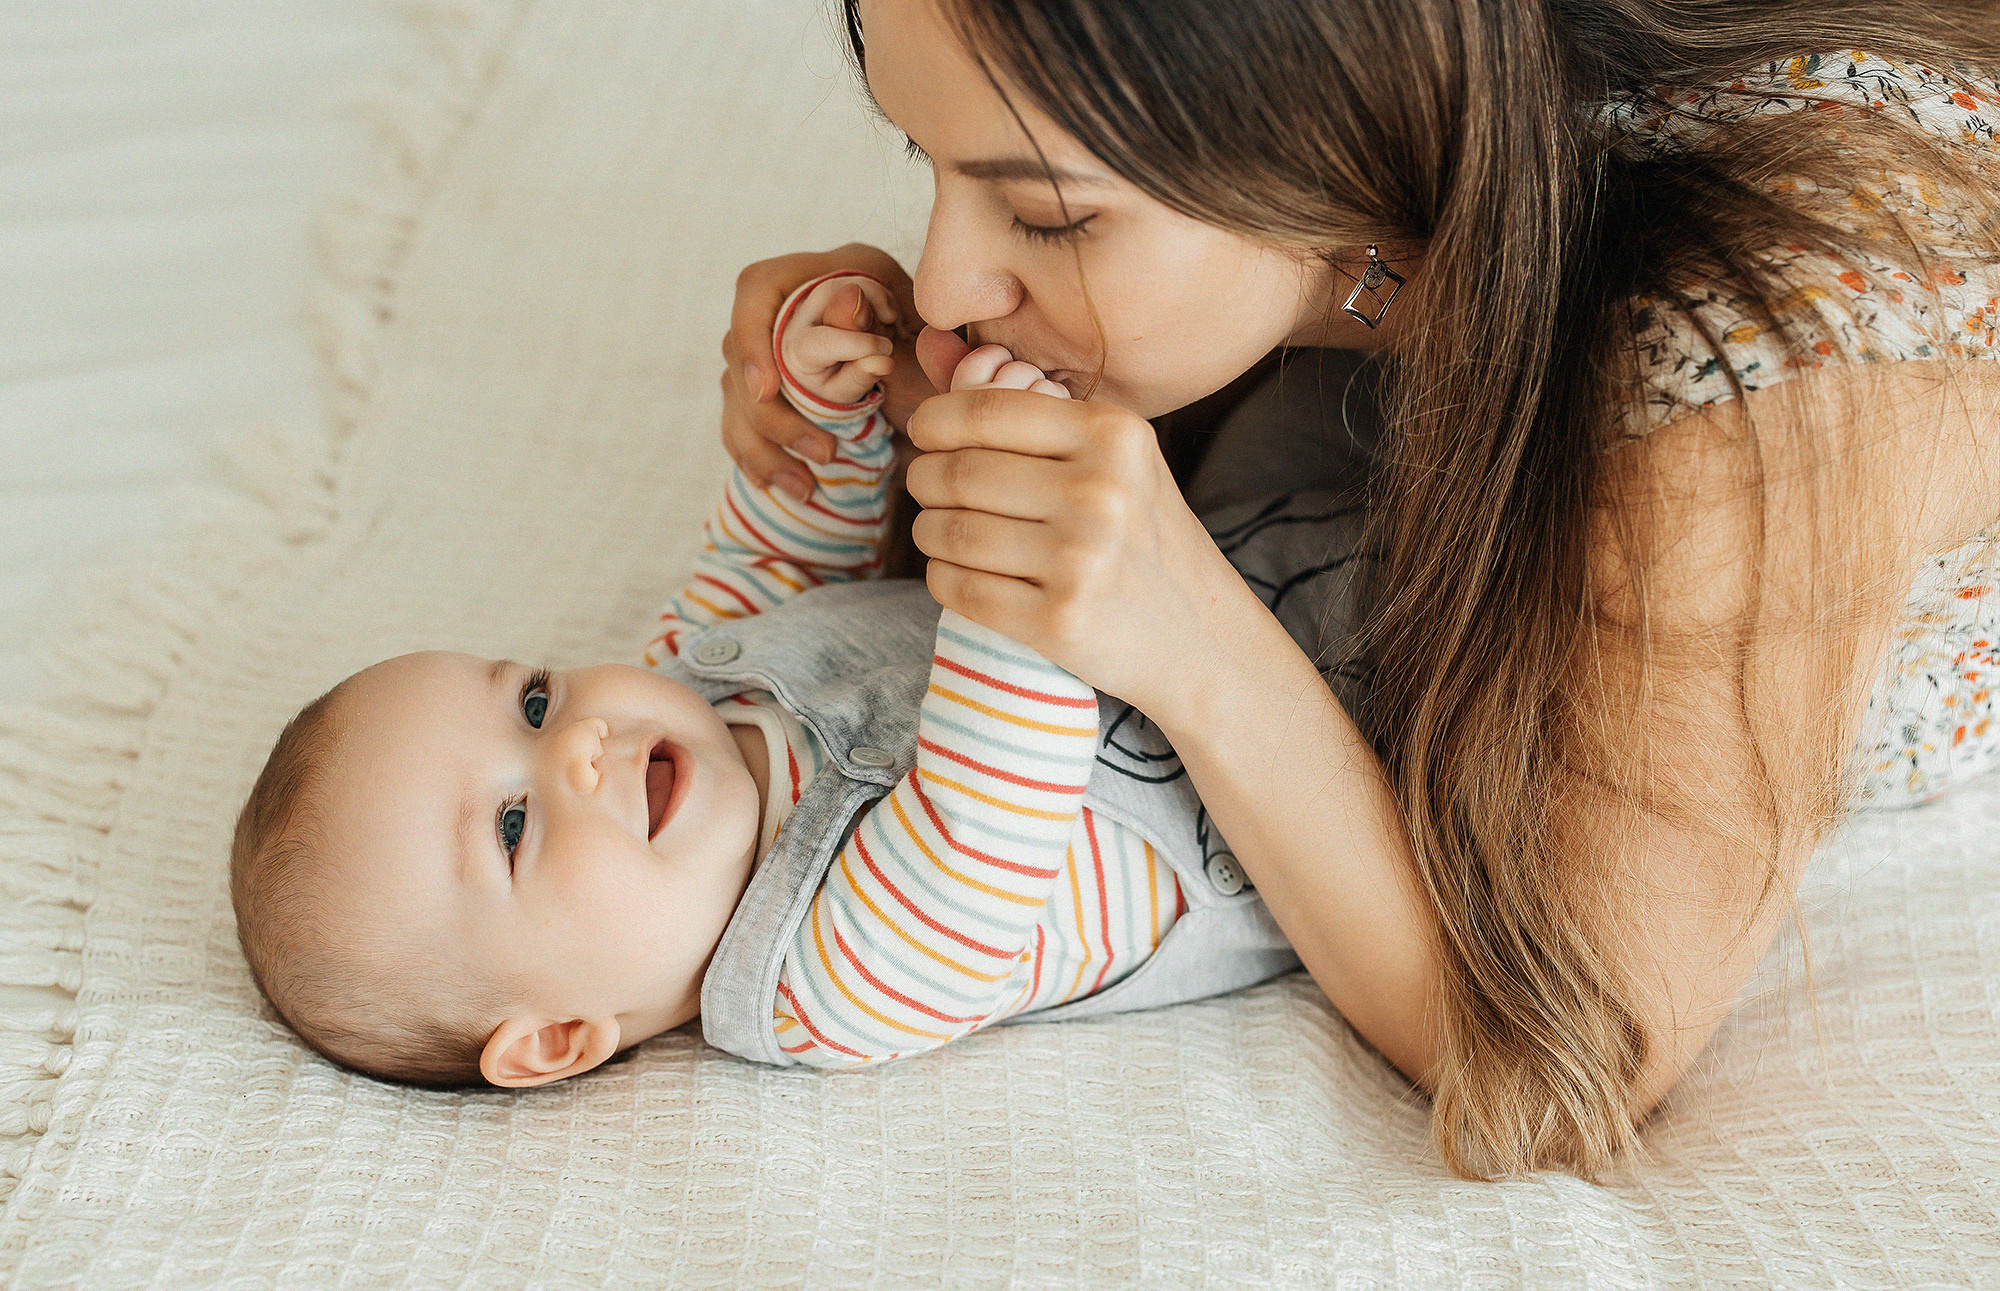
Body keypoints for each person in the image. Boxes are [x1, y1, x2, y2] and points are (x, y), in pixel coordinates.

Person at [716, 0, 2000, 1177]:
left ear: (1326, 148)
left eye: (1048, 213)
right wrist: (894, 424)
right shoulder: (1425, 113)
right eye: (920, 156)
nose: (943, 282)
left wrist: (1194, 640)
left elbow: (1564, 1069)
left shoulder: (1736, 410)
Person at [228, 271, 1365, 1089]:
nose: (574, 743)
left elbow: (776, 546)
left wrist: (821, 400)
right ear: (558, 1035)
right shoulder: (820, 982)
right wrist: (1009, 483)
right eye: (515, 824)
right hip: (1362, 744)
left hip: (1227, 540)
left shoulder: (691, 684)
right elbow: (989, 804)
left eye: (531, 701)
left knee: (1330, 388)